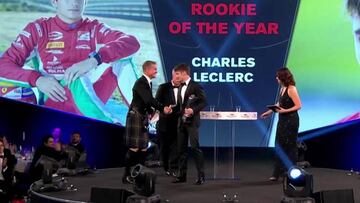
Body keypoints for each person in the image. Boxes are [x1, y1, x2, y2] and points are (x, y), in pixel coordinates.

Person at [0, 0, 140, 123]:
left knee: (123, 59)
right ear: (54, 1)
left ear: (86, 1)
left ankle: (145, 118)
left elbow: (131, 42)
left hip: (89, 98)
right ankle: (113, 128)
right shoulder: (38, 29)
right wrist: (37, 80)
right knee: (78, 79)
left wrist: (94, 60)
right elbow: (3, 65)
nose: (74, 3)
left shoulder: (94, 28)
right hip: (56, 99)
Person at [122, 60, 172, 184]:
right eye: (154, 69)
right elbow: (149, 100)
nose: (156, 71)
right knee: (134, 147)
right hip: (136, 117)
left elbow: (146, 102)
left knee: (143, 147)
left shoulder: (146, 83)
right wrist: (162, 108)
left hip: (141, 116)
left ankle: (139, 174)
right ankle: (126, 175)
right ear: (147, 70)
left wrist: (151, 112)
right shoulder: (141, 83)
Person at [261, 67, 302, 181]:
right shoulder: (282, 88)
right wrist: (269, 111)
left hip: (291, 120)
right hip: (282, 120)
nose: (276, 78)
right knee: (279, 145)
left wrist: (284, 111)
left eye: (278, 76)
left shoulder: (291, 89)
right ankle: (277, 172)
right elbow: (280, 103)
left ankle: (292, 173)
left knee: (290, 147)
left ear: (282, 77)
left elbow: (298, 105)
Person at [172, 63, 207, 185]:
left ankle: (201, 176)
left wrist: (193, 110)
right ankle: (182, 175)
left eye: (177, 74)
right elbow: (182, 105)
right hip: (181, 122)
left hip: (192, 122)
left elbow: (204, 102)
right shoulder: (181, 87)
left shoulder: (196, 86)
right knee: (181, 149)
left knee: (194, 148)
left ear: (184, 73)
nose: (176, 77)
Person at [155, 69, 182, 176]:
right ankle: (166, 167)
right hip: (164, 122)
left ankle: (174, 168)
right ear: (173, 75)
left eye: (180, 76)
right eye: (177, 76)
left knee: (176, 146)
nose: (179, 79)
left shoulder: (184, 88)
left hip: (178, 122)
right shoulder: (163, 87)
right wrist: (164, 108)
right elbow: (156, 102)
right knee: (164, 146)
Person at [0, 138, 17, 202]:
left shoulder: (7, 155)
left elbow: (14, 162)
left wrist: (5, 167)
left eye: (1, 145)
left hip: (5, 181)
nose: (0, 147)